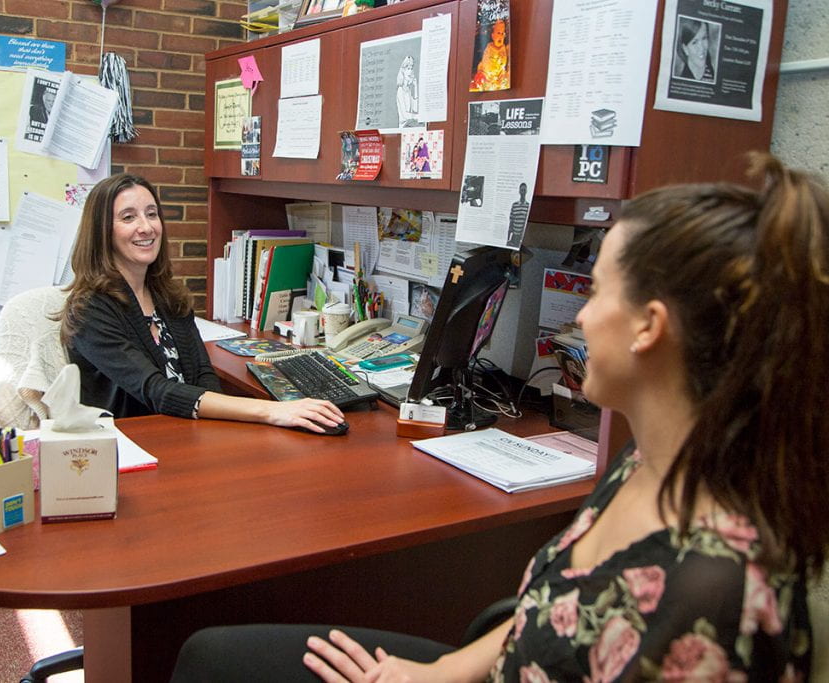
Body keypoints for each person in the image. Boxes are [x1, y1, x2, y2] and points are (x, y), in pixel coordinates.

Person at [170, 153, 826, 680]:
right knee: (212, 656)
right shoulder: (645, 462)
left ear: (649, 328)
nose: (580, 316)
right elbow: (543, 612)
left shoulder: (717, 590)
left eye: (596, 291)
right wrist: (439, 672)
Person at [60, 173, 345, 433]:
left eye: (152, 214)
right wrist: (271, 411)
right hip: (133, 444)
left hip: (185, 433)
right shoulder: (90, 309)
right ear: (102, 232)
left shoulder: (167, 296)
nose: (146, 227)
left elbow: (202, 374)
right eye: (128, 218)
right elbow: (157, 391)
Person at [469, 18, 510, 92]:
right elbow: (486, 63)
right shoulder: (489, 48)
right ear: (493, 36)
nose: (500, 36)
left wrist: (501, 73)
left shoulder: (503, 48)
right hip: (487, 75)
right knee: (480, 80)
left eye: (502, 34)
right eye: (498, 33)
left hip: (499, 76)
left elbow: (504, 62)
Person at [675, 18, 715, 82]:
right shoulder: (683, 81)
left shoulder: (713, 73)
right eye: (694, 42)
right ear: (685, 49)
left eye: (704, 38)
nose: (701, 48)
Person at [396, 55, 419, 128]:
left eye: (411, 68)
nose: (411, 71)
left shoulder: (408, 90)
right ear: (403, 71)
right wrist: (418, 116)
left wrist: (415, 87)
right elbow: (405, 115)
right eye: (408, 68)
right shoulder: (400, 90)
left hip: (411, 126)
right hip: (404, 128)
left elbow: (415, 109)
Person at [506, 182, 530, 248]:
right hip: (514, 236)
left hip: (523, 237)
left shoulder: (528, 206)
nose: (523, 192)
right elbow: (511, 221)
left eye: (524, 190)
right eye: (521, 190)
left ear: (526, 191)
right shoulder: (515, 205)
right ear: (519, 191)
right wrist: (508, 238)